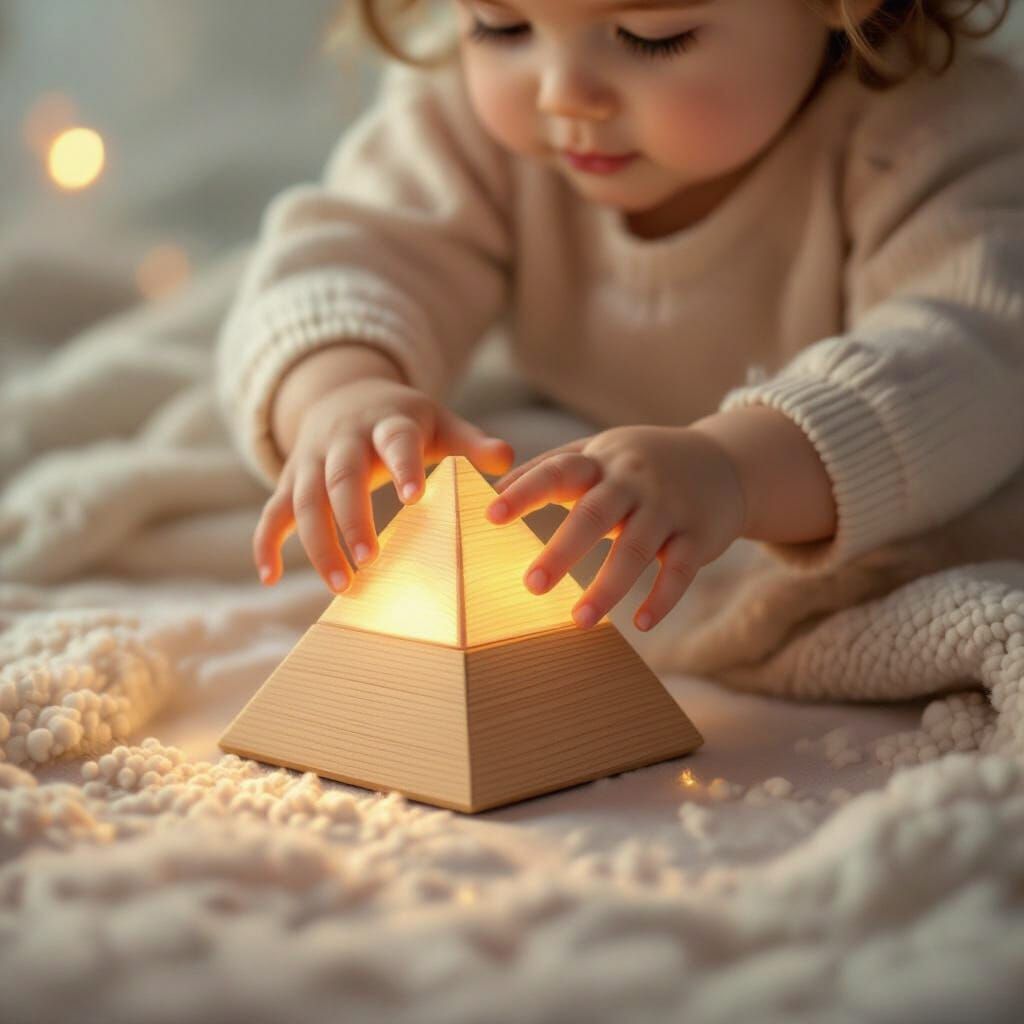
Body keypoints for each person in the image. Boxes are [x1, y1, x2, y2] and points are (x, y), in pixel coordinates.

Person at [216, 0, 1022, 636]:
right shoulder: (459, 117)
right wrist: (339, 393)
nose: (562, 93)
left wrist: (733, 470)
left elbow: (975, 359)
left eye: (650, 36)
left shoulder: (934, 134)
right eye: (500, 24)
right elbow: (341, 263)